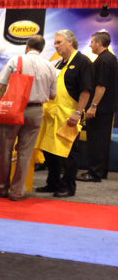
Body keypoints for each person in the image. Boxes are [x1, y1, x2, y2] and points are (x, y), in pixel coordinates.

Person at [0, 35, 58, 201]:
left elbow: (2, 85)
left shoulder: (16, 60)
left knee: (4, 150)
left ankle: (1, 188)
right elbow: (53, 95)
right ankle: (17, 191)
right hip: (36, 112)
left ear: (27, 45)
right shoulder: (50, 66)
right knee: (25, 153)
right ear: (41, 48)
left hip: (14, 109)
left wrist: (0, 105)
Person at [35, 29, 94, 197]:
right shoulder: (59, 63)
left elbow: (85, 91)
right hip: (53, 115)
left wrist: (77, 113)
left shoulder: (83, 62)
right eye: (55, 43)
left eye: (59, 42)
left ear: (70, 42)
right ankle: (53, 183)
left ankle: (68, 186)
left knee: (68, 153)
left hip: (69, 115)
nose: (56, 46)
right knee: (50, 151)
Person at [78, 31, 117, 182]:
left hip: (101, 108)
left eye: (92, 42)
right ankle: (100, 171)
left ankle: (94, 173)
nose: (90, 45)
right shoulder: (109, 58)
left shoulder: (103, 61)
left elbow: (101, 86)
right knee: (102, 140)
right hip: (106, 107)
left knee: (96, 140)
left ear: (99, 43)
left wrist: (93, 106)